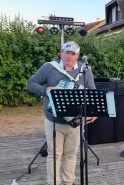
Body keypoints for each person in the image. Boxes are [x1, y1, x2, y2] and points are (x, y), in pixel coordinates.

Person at [27, 41, 96, 185]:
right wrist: (45, 91)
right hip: (54, 120)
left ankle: (68, 182)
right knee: (54, 154)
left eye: (73, 54)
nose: (69, 56)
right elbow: (31, 83)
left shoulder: (85, 70)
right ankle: (54, 183)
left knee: (71, 154)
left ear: (78, 56)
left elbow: (91, 91)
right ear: (61, 52)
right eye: (66, 52)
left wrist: (93, 110)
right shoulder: (49, 67)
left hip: (76, 121)